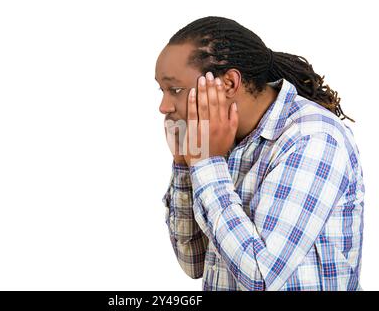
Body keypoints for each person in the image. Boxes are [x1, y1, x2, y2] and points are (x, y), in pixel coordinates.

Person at [155, 16, 365, 291]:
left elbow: (260, 276)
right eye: (162, 90)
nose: (163, 106)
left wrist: (207, 163)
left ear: (229, 83)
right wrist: (185, 164)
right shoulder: (218, 140)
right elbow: (194, 261)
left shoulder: (312, 137)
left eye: (176, 89)